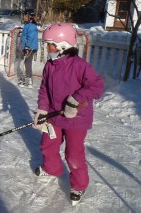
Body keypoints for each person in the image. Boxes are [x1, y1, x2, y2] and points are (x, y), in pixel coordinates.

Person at [32, 23, 104, 206]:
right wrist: (42, 110)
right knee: (47, 143)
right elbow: (44, 90)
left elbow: (97, 86)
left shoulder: (80, 66)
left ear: (63, 45)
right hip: (54, 116)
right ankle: (52, 168)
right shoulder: (50, 65)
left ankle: (79, 185)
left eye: (50, 44)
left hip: (76, 119)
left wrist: (75, 99)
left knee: (73, 153)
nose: (47, 48)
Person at [19, 11, 39, 88]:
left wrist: (27, 47)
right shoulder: (28, 25)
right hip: (28, 47)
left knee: (27, 63)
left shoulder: (31, 26)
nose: (24, 17)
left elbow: (30, 37)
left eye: (25, 16)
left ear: (30, 17)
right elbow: (24, 36)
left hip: (30, 47)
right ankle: (27, 79)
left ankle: (29, 80)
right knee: (26, 62)